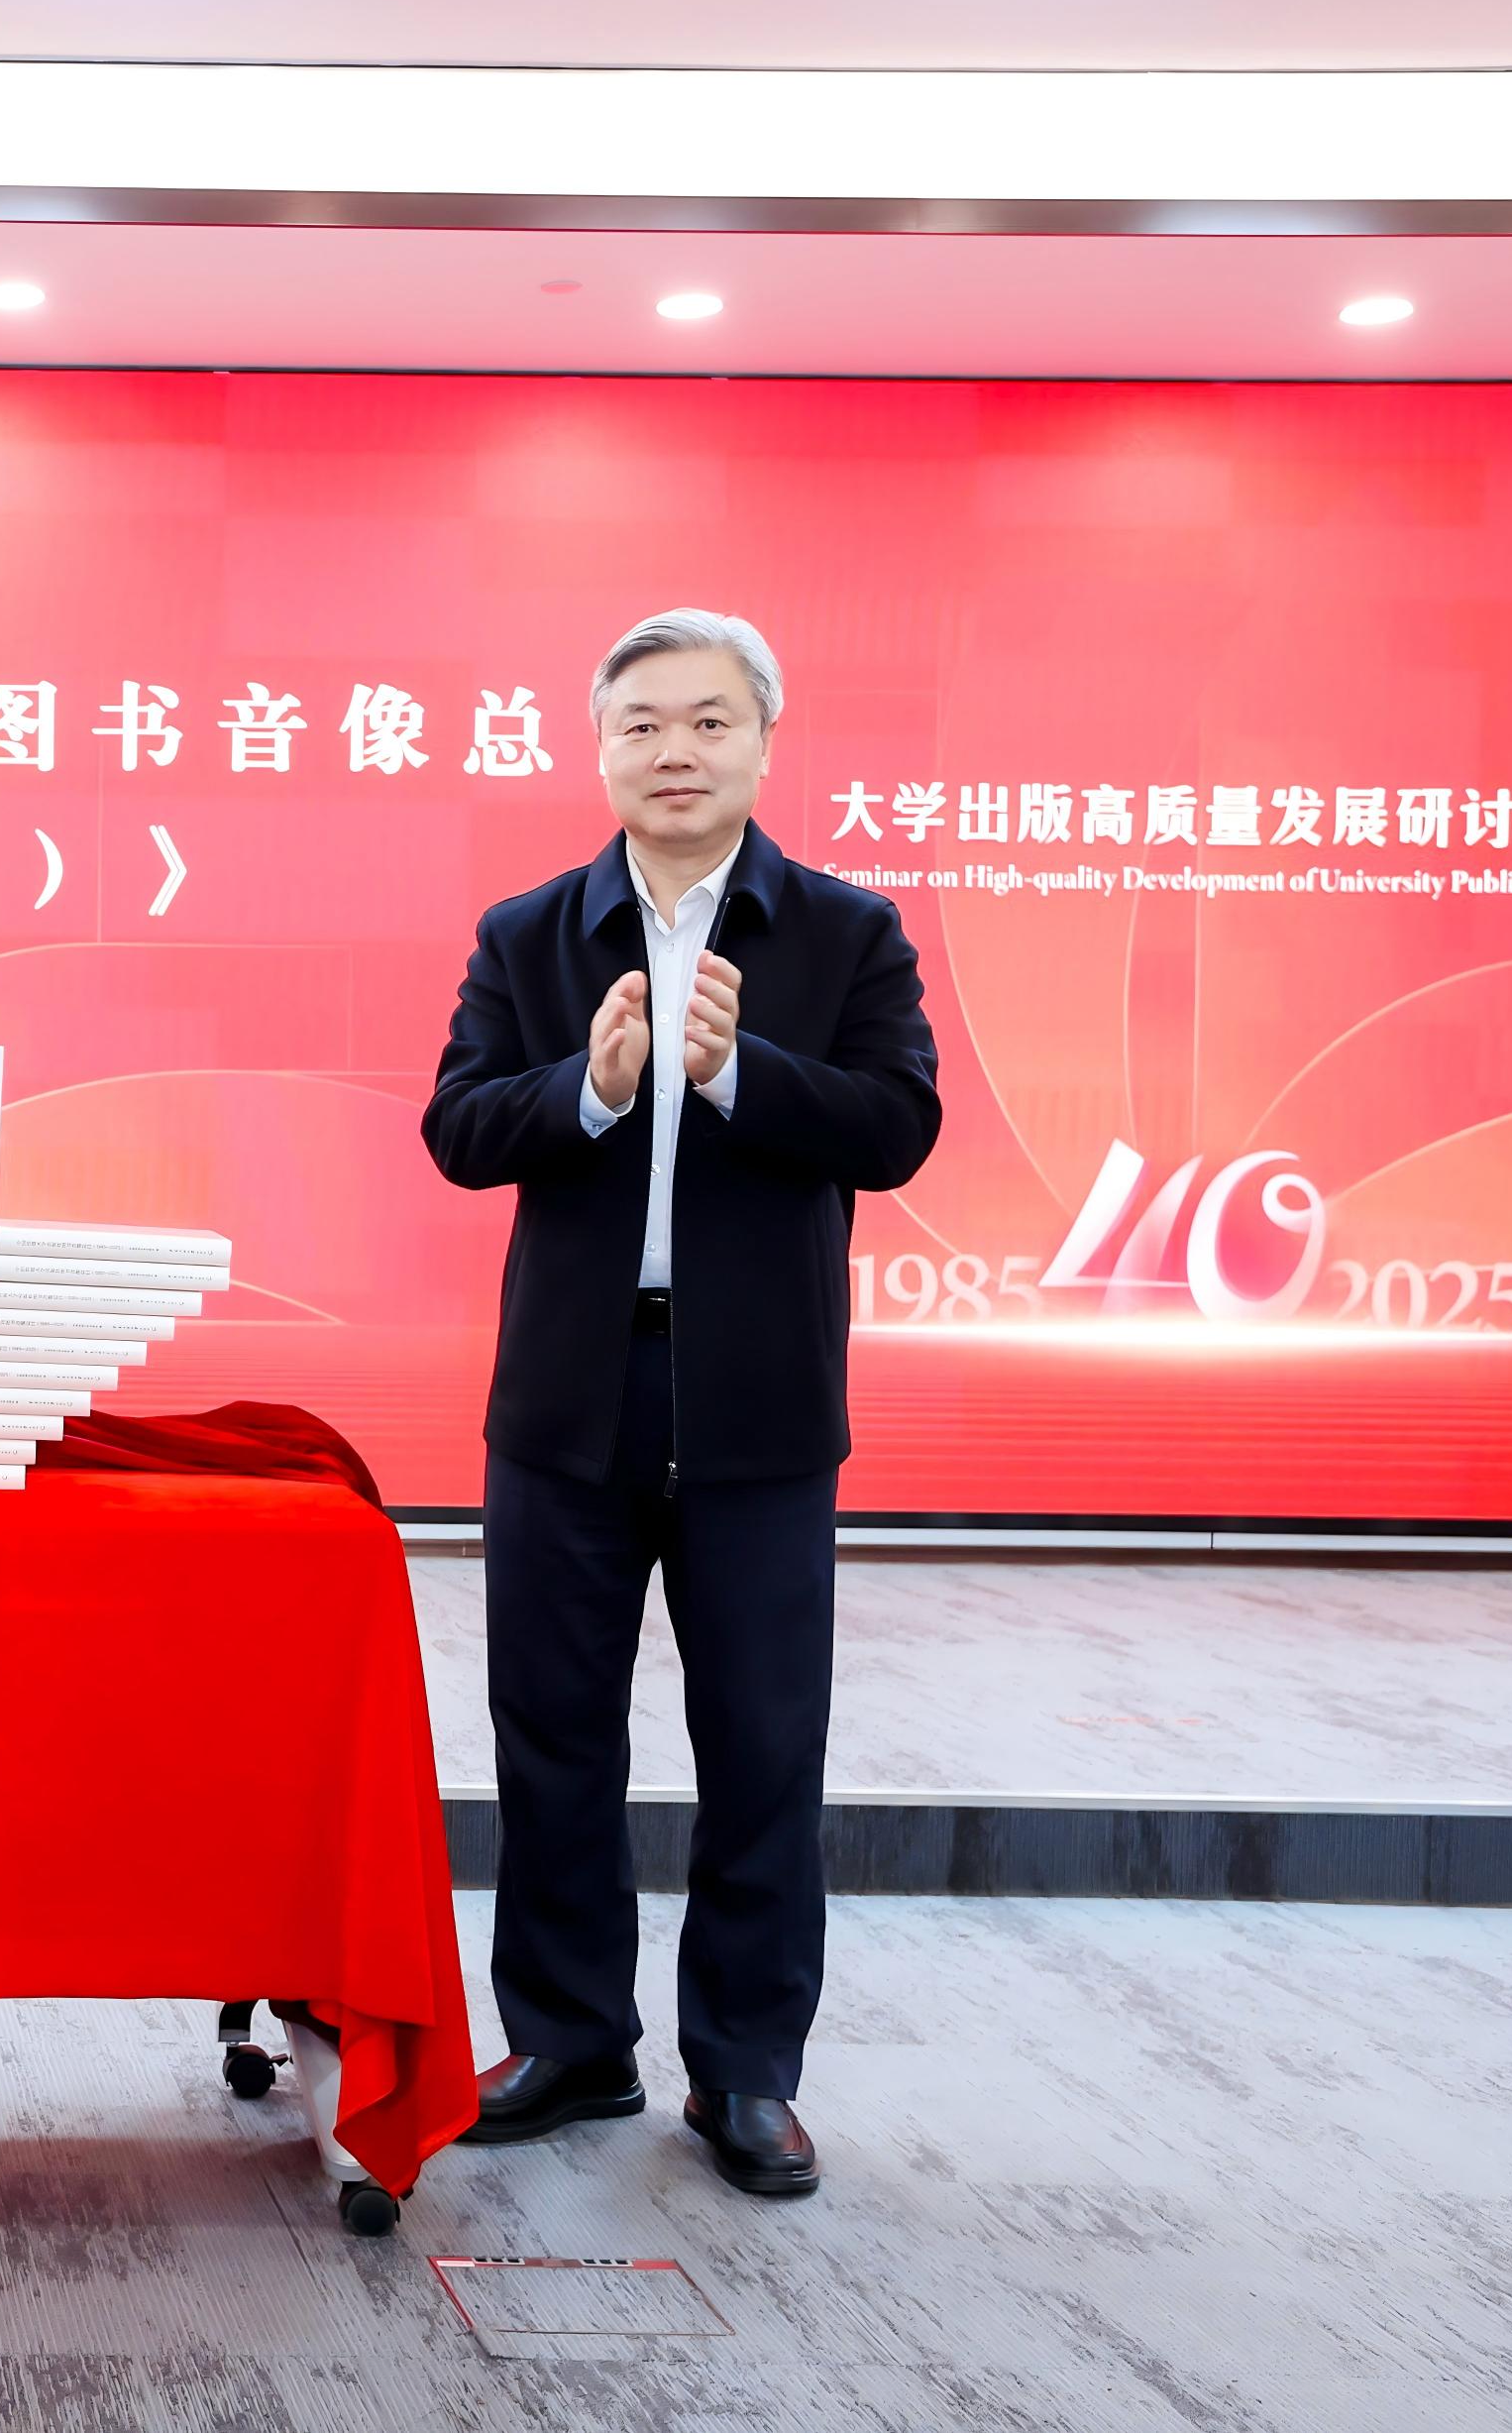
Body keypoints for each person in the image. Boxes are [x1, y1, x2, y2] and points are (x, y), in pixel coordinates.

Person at [419, 608, 940, 2199]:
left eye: (710, 722)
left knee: (765, 1744)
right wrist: (590, 1091)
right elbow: (458, 1127)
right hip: (567, 1399)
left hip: (758, 1406)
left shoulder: (846, 932)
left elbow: (899, 1126)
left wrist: (733, 1076)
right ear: (600, 750)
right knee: (552, 1734)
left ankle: (747, 2069)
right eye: (642, 723)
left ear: (765, 743)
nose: (676, 751)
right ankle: (571, 2037)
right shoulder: (530, 933)